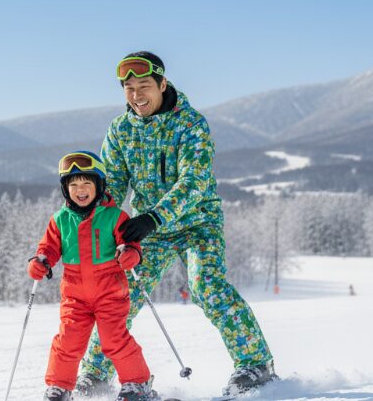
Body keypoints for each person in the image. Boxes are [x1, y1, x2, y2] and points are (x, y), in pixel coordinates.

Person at [75, 52, 276, 397]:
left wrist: (153, 217)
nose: (136, 95)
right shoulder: (120, 130)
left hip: (196, 223)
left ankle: (255, 364)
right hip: (147, 231)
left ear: (162, 84)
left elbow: (195, 182)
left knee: (207, 287)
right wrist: (99, 220)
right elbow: (114, 185)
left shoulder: (190, 123)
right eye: (129, 88)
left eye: (144, 86)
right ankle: (96, 373)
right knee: (119, 296)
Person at [27, 151, 159, 401]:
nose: (81, 189)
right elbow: (48, 248)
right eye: (73, 184)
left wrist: (130, 252)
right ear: (66, 189)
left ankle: (137, 383)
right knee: (68, 340)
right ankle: (60, 387)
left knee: (113, 340)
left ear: (99, 186)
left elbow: (129, 244)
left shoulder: (114, 216)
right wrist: (40, 262)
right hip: (74, 294)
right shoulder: (60, 220)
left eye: (87, 183)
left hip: (110, 291)